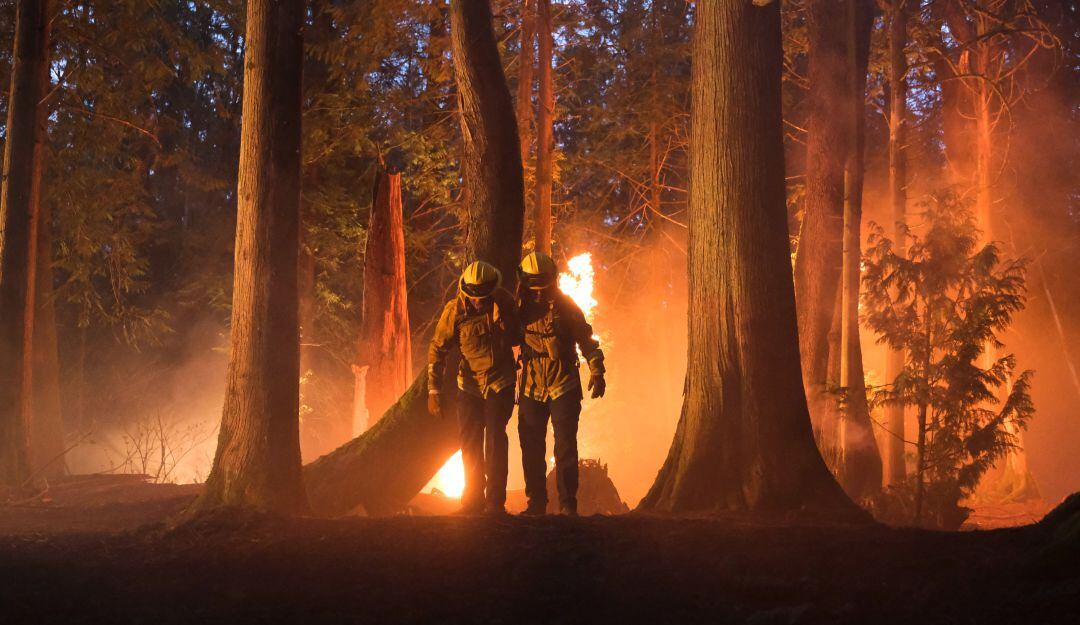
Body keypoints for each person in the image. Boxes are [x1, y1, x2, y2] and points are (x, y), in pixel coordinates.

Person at [428, 260, 522, 515]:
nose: (478, 302)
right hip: (468, 386)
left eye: (483, 297)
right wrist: (433, 391)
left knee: (494, 439)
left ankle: (494, 504)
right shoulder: (455, 310)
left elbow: (518, 337)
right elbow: (438, 349)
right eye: (474, 297)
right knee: (469, 444)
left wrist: (504, 323)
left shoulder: (504, 302)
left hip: (500, 382)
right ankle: (471, 502)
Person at [516, 252, 606, 516]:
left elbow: (587, 342)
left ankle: (568, 505)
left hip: (563, 384)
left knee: (565, 445)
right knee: (531, 446)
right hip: (532, 386)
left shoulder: (567, 307)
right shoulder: (518, 308)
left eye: (543, 290)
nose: (539, 296)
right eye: (534, 291)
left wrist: (597, 371)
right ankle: (536, 504)